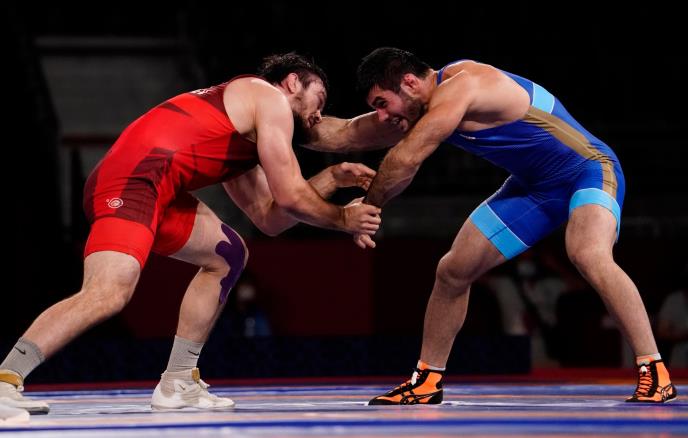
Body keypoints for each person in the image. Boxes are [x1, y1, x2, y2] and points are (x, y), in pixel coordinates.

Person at [0, 53, 382, 414]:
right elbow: (292, 195)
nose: (318, 115)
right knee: (107, 293)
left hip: (159, 191)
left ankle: (178, 382)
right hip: (134, 180)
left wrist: (332, 177)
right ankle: (5, 380)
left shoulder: (240, 136)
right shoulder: (268, 96)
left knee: (229, 255)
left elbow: (271, 219)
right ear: (293, 82)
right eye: (319, 99)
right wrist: (342, 219)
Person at [308, 47, 676, 404]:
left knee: (587, 252)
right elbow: (345, 134)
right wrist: (286, 119)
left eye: (382, 103)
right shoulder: (418, 109)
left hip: (589, 169)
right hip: (534, 188)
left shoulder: (463, 84)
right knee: (453, 271)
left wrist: (369, 206)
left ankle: (655, 371)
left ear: (409, 82)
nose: (382, 116)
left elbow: (406, 159)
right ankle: (427, 381)